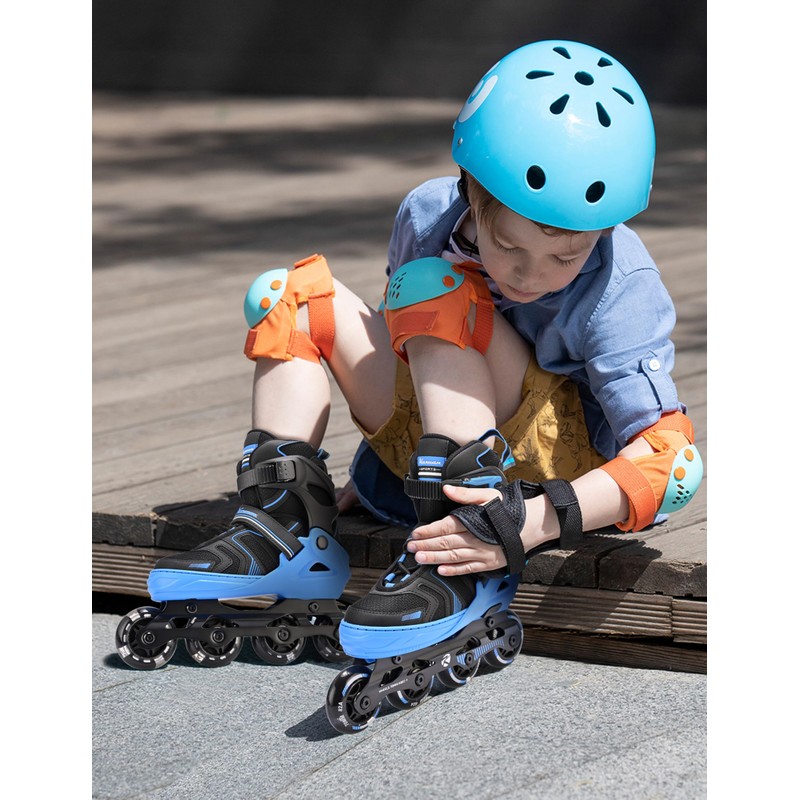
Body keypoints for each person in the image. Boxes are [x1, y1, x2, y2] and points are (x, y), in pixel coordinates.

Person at [139, 41, 702, 692]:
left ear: (603, 231)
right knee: (289, 297)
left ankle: (464, 561)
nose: (529, 275)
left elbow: (673, 464)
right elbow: (409, 352)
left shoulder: (621, 288)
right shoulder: (427, 215)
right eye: (507, 245)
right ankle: (284, 526)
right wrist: (377, 466)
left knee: (436, 290)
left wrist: (528, 524)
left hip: (534, 482)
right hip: (446, 442)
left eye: (564, 258)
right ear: (470, 195)